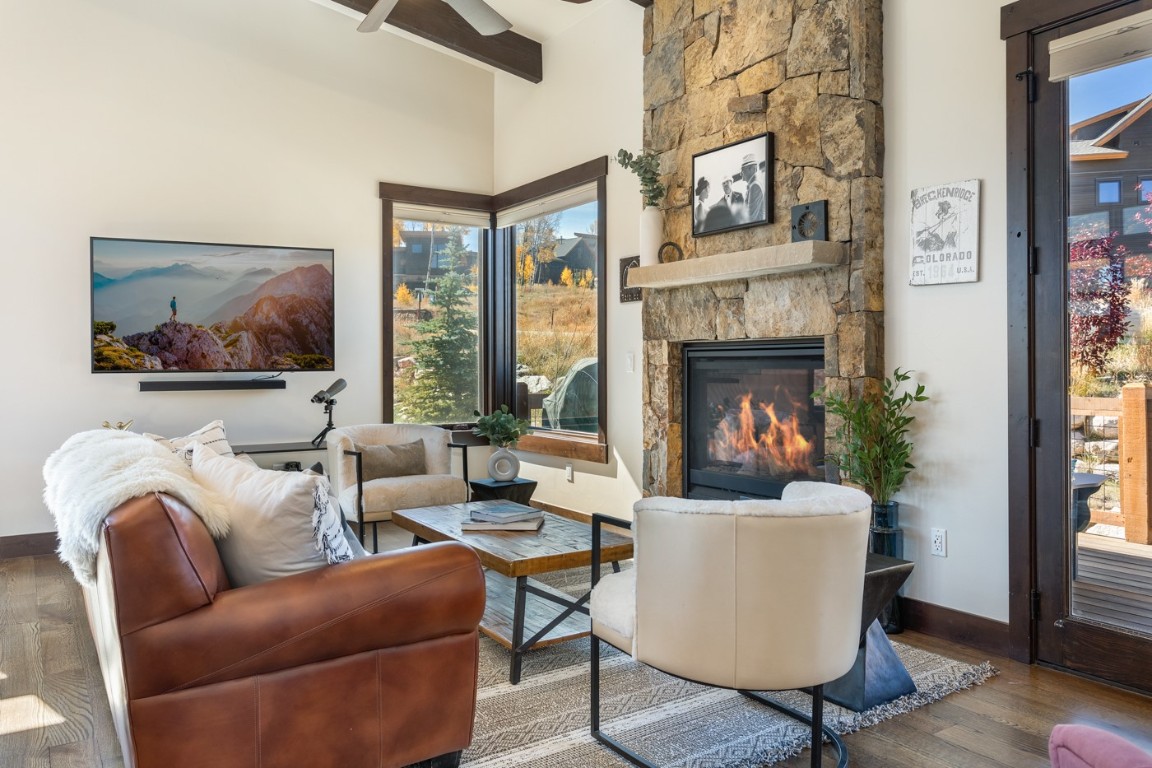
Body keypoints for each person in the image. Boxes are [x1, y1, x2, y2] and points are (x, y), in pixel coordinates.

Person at [741, 154, 765, 223]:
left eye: (743, 169)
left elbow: (750, 217)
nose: (740, 174)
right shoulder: (753, 185)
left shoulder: (755, 186)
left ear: (751, 169)